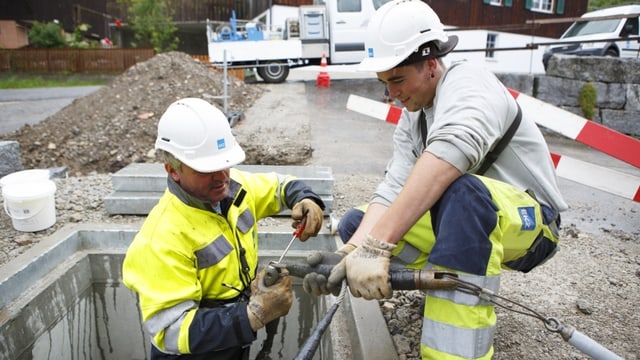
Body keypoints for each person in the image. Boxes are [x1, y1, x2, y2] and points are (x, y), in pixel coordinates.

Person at [301, 1, 567, 359]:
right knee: (356, 223)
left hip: (533, 225)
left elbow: (451, 152)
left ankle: (454, 352)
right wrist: (351, 252)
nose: (390, 93)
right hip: (469, 215)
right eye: (383, 83)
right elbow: (393, 189)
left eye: (396, 79)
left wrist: (377, 247)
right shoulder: (414, 116)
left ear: (430, 64)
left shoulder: (470, 82)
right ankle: (448, 283)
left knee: (463, 193)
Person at [122, 97, 326, 360]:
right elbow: (171, 332)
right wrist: (254, 314)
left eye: (224, 163)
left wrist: (305, 199)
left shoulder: (235, 187)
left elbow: (279, 186)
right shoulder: (160, 238)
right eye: (206, 168)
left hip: (234, 342)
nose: (221, 176)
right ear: (173, 170)